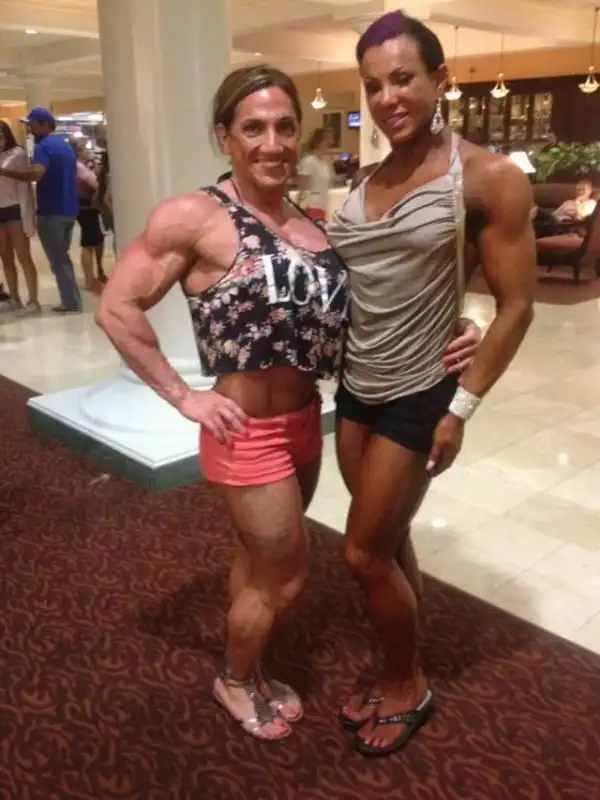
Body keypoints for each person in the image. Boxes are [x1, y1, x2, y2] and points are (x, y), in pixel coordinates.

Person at [95, 64, 481, 743]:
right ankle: (235, 679)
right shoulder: (195, 216)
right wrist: (183, 396)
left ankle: (248, 655)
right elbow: (117, 307)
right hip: (246, 433)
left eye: (283, 127)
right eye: (253, 128)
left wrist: (454, 326)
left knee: (260, 561)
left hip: (306, 423)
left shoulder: (313, 226)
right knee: (286, 580)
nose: (271, 143)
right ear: (225, 136)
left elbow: (372, 304)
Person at [327, 11, 536, 758]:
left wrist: (462, 406)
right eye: (373, 85)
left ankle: (407, 682)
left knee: (361, 556)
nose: (387, 98)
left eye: (403, 79)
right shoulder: (368, 178)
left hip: (420, 392)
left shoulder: (486, 177)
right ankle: (398, 659)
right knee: (389, 540)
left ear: (440, 79)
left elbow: (518, 306)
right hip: (356, 387)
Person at [0, 107, 81, 313]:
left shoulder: (43, 147)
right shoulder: (62, 145)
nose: (29, 128)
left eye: (31, 124)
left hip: (49, 210)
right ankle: (71, 301)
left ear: (43, 124)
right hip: (66, 208)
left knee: (55, 259)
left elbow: (35, 174)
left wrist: (5, 172)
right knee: (60, 258)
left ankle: (63, 302)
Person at [0, 120, 39, 313]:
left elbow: (24, 182)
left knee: (23, 255)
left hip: (15, 208)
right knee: (5, 257)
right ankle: (14, 298)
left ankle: (33, 300)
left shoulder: (17, 154)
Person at [70, 139, 106, 292]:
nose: (86, 150)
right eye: (82, 148)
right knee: (89, 242)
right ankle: (89, 280)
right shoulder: (78, 167)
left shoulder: (82, 166)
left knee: (95, 239)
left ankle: (96, 274)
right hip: (85, 207)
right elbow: (95, 183)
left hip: (86, 206)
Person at [296, 127, 333, 220]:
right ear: (319, 143)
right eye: (327, 142)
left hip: (322, 206)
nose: (330, 144)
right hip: (311, 206)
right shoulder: (309, 161)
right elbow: (303, 188)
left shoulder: (324, 163)